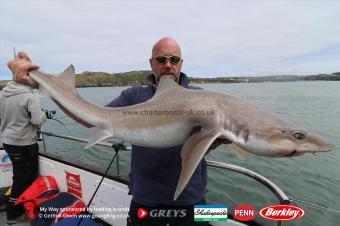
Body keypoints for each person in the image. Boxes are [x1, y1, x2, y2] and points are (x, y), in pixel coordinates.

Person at [7, 37, 229, 226]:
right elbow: (91, 119)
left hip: (193, 198)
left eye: (174, 59)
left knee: (215, 218)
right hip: (146, 199)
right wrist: (47, 88)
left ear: (181, 63)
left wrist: (215, 141)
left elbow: (207, 142)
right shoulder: (133, 96)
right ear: (152, 63)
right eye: (161, 59)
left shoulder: (201, 97)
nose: (168, 65)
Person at [0, 68, 46, 224]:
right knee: (23, 178)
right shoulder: (29, 96)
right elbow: (38, 120)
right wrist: (43, 114)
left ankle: (21, 207)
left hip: (8, 141)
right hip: (24, 143)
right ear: (26, 80)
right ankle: (14, 214)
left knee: (19, 176)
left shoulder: (2, 93)